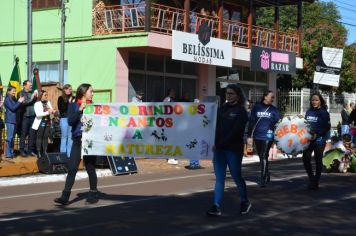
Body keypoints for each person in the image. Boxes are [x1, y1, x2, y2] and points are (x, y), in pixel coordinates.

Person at [207, 84, 251, 216]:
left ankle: (245, 201)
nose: (228, 96)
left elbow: (235, 133)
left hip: (233, 150)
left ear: (238, 95)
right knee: (219, 179)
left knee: (236, 177)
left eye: (231, 93)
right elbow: (213, 126)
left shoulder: (241, 112)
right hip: (219, 150)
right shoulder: (221, 109)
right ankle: (216, 205)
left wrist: (219, 144)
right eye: (227, 93)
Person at [54, 84, 99, 205]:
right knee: (72, 168)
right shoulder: (73, 105)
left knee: (90, 168)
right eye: (91, 91)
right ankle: (65, 197)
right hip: (78, 141)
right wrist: (79, 110)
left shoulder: (94, 106)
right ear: (84, 92)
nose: (93, 93)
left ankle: (93, 194)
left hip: (90, 141)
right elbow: (70, 121)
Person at [247, 91, 280, 187]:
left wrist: (277, 137)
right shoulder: (256, 107)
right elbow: (252, 121)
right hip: (257, 135)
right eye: (271, 97)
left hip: (268, 135)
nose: (272, 99)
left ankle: (262, 178)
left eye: (273, 97)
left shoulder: (274, 110)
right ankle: (267, 173)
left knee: (264, 154)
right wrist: (249, 135)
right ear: (265, 97)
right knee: (261, 156)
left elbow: (278, 123)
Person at [303, 93, 330, 190]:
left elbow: (327, 127)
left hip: (319, 140)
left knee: (318, 161)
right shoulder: (309, 112)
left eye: (316, 100)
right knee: (305, 159)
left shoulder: (324, 112)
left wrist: (317, 134)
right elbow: (305, 125)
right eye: (313, 100)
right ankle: (312, 178)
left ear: (320, 101)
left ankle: (316, 181)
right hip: (308, 140)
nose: (314, 102)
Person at [18, 80, 38, 157]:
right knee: (23, 134)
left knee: (32, 134)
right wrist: (32, 98)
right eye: (29, 85)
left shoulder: (32, 93)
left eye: (31, 85)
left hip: (33, 116)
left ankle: (30, 150)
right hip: (25, 117)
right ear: (24, 86)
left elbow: (35, 103)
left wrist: (36, 97)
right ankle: (22, 150)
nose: (31, 86)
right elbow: (23, 103)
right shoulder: (21, 93)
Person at [32, 90, 55, 158]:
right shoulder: (37, 103)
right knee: (39, 137)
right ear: (41, 96)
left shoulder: (48, 102)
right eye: (45, 95)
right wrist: (48, 112)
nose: (46, 96)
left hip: (47, 121)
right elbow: (38, 114)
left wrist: (53, 111)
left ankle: (45, 151)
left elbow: (51, 110)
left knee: (45, 137)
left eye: (47, 95)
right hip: (40, 122)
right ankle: (38, 152)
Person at [4, 86, 25, 158]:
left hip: (14, 120)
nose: (14, 92)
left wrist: (20, 102)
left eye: (15, 91)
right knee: (9, 137)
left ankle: (11, 152)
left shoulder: (13, 98)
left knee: (12, 137)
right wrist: (19, 101)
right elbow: (13, 108)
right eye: (13, 91)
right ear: (8, 91)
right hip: (10, 120)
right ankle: (8, 153)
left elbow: (17, 107)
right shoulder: (7, 99)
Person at [58, 84, 75, 158]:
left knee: (70, 137)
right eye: (68, 89)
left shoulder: (74, 98)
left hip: (71, 119)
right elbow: (61, 109)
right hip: (64, 119)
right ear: (64, 90)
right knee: (64, 137)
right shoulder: (61, 98)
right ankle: (63, 155)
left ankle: (69, 155)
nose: (70, 90)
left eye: (71, 89)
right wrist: (69, 102)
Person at [163, 88, 178, 165]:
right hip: (168, 123)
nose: (174, 93)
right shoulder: (167, 99)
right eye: (173, 91)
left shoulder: (173, 100)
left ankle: (172, 156)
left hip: (172, 123)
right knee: (170, 140)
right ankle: (170, 158)